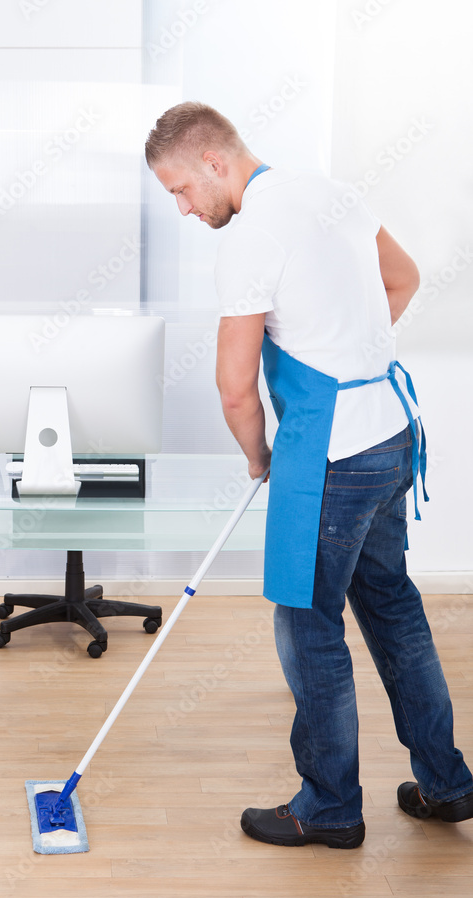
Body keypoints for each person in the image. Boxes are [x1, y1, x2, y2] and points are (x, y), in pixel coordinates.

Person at [145, 101, 473, 849]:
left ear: (214, 164)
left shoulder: (250, 235)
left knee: (307, 623)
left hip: (329, 454)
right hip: (390, 432)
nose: (183, 208)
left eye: (181, 190)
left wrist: (259, 454)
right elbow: (404, 278)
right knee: (391, 606)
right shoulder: (332, 193)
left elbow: (234, 387)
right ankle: (447, 783)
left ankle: (328, 806)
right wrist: (350, 352)